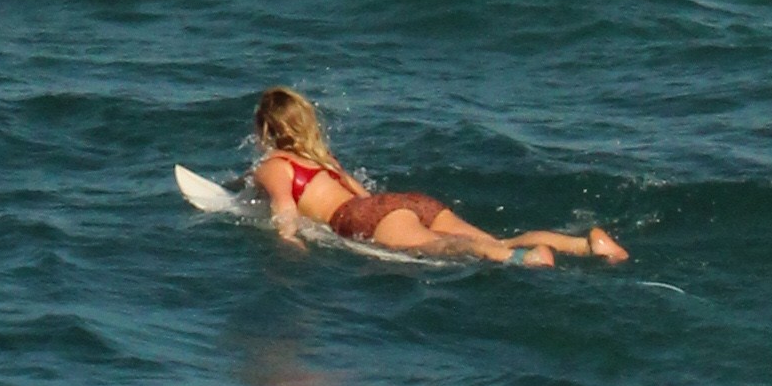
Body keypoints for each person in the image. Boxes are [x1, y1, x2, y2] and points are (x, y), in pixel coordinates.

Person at [248, 85, 625, 267]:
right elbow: (363, 194)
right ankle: (586, 245)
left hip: (365, 217)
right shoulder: (326, 160)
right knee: (498, 238)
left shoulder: (273, 166)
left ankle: (524, 260)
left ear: (266, 132)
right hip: (403, 202)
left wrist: (289, 244)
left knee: (441, 248)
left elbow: (285, 208)